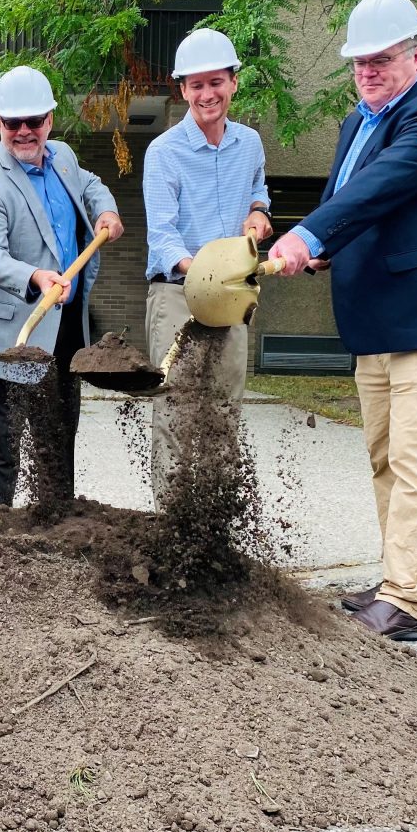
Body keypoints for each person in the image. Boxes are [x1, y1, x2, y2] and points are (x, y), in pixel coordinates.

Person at [269, 0, 417, 642]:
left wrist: (309, 233)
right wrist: (326, 248)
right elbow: (357, 207)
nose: (367, 72)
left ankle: (407, 602)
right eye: (359, 62)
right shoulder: (354, 123)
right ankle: (408, 577)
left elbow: (380, 187)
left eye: (381, 60)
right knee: (386, 458)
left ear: (416, 56)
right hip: (375, 321)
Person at [0, 65, 124, 505]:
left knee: (58, 434)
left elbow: (92, 184)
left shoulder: (63, 156)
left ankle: (57, 524)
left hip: (65, 325)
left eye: (35, 121)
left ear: (50, 119)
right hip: (11, 331)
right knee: (1, 448)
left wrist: (105, 211)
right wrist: (33, 276)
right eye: (13, 122)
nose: (25, 131)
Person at [142, 28, 272, 505]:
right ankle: (171, 525)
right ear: (182, 90)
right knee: (176, 409)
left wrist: (260, 213)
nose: (206, 94)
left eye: (215, 82)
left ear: (233, 82)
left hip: (233, 300)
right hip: (178, 295)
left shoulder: (250, 144)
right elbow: (162, 235)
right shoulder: (163, 153)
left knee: (223, 409)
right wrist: (201, 272)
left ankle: (214, 524)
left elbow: (259, 192)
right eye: (195, 85)